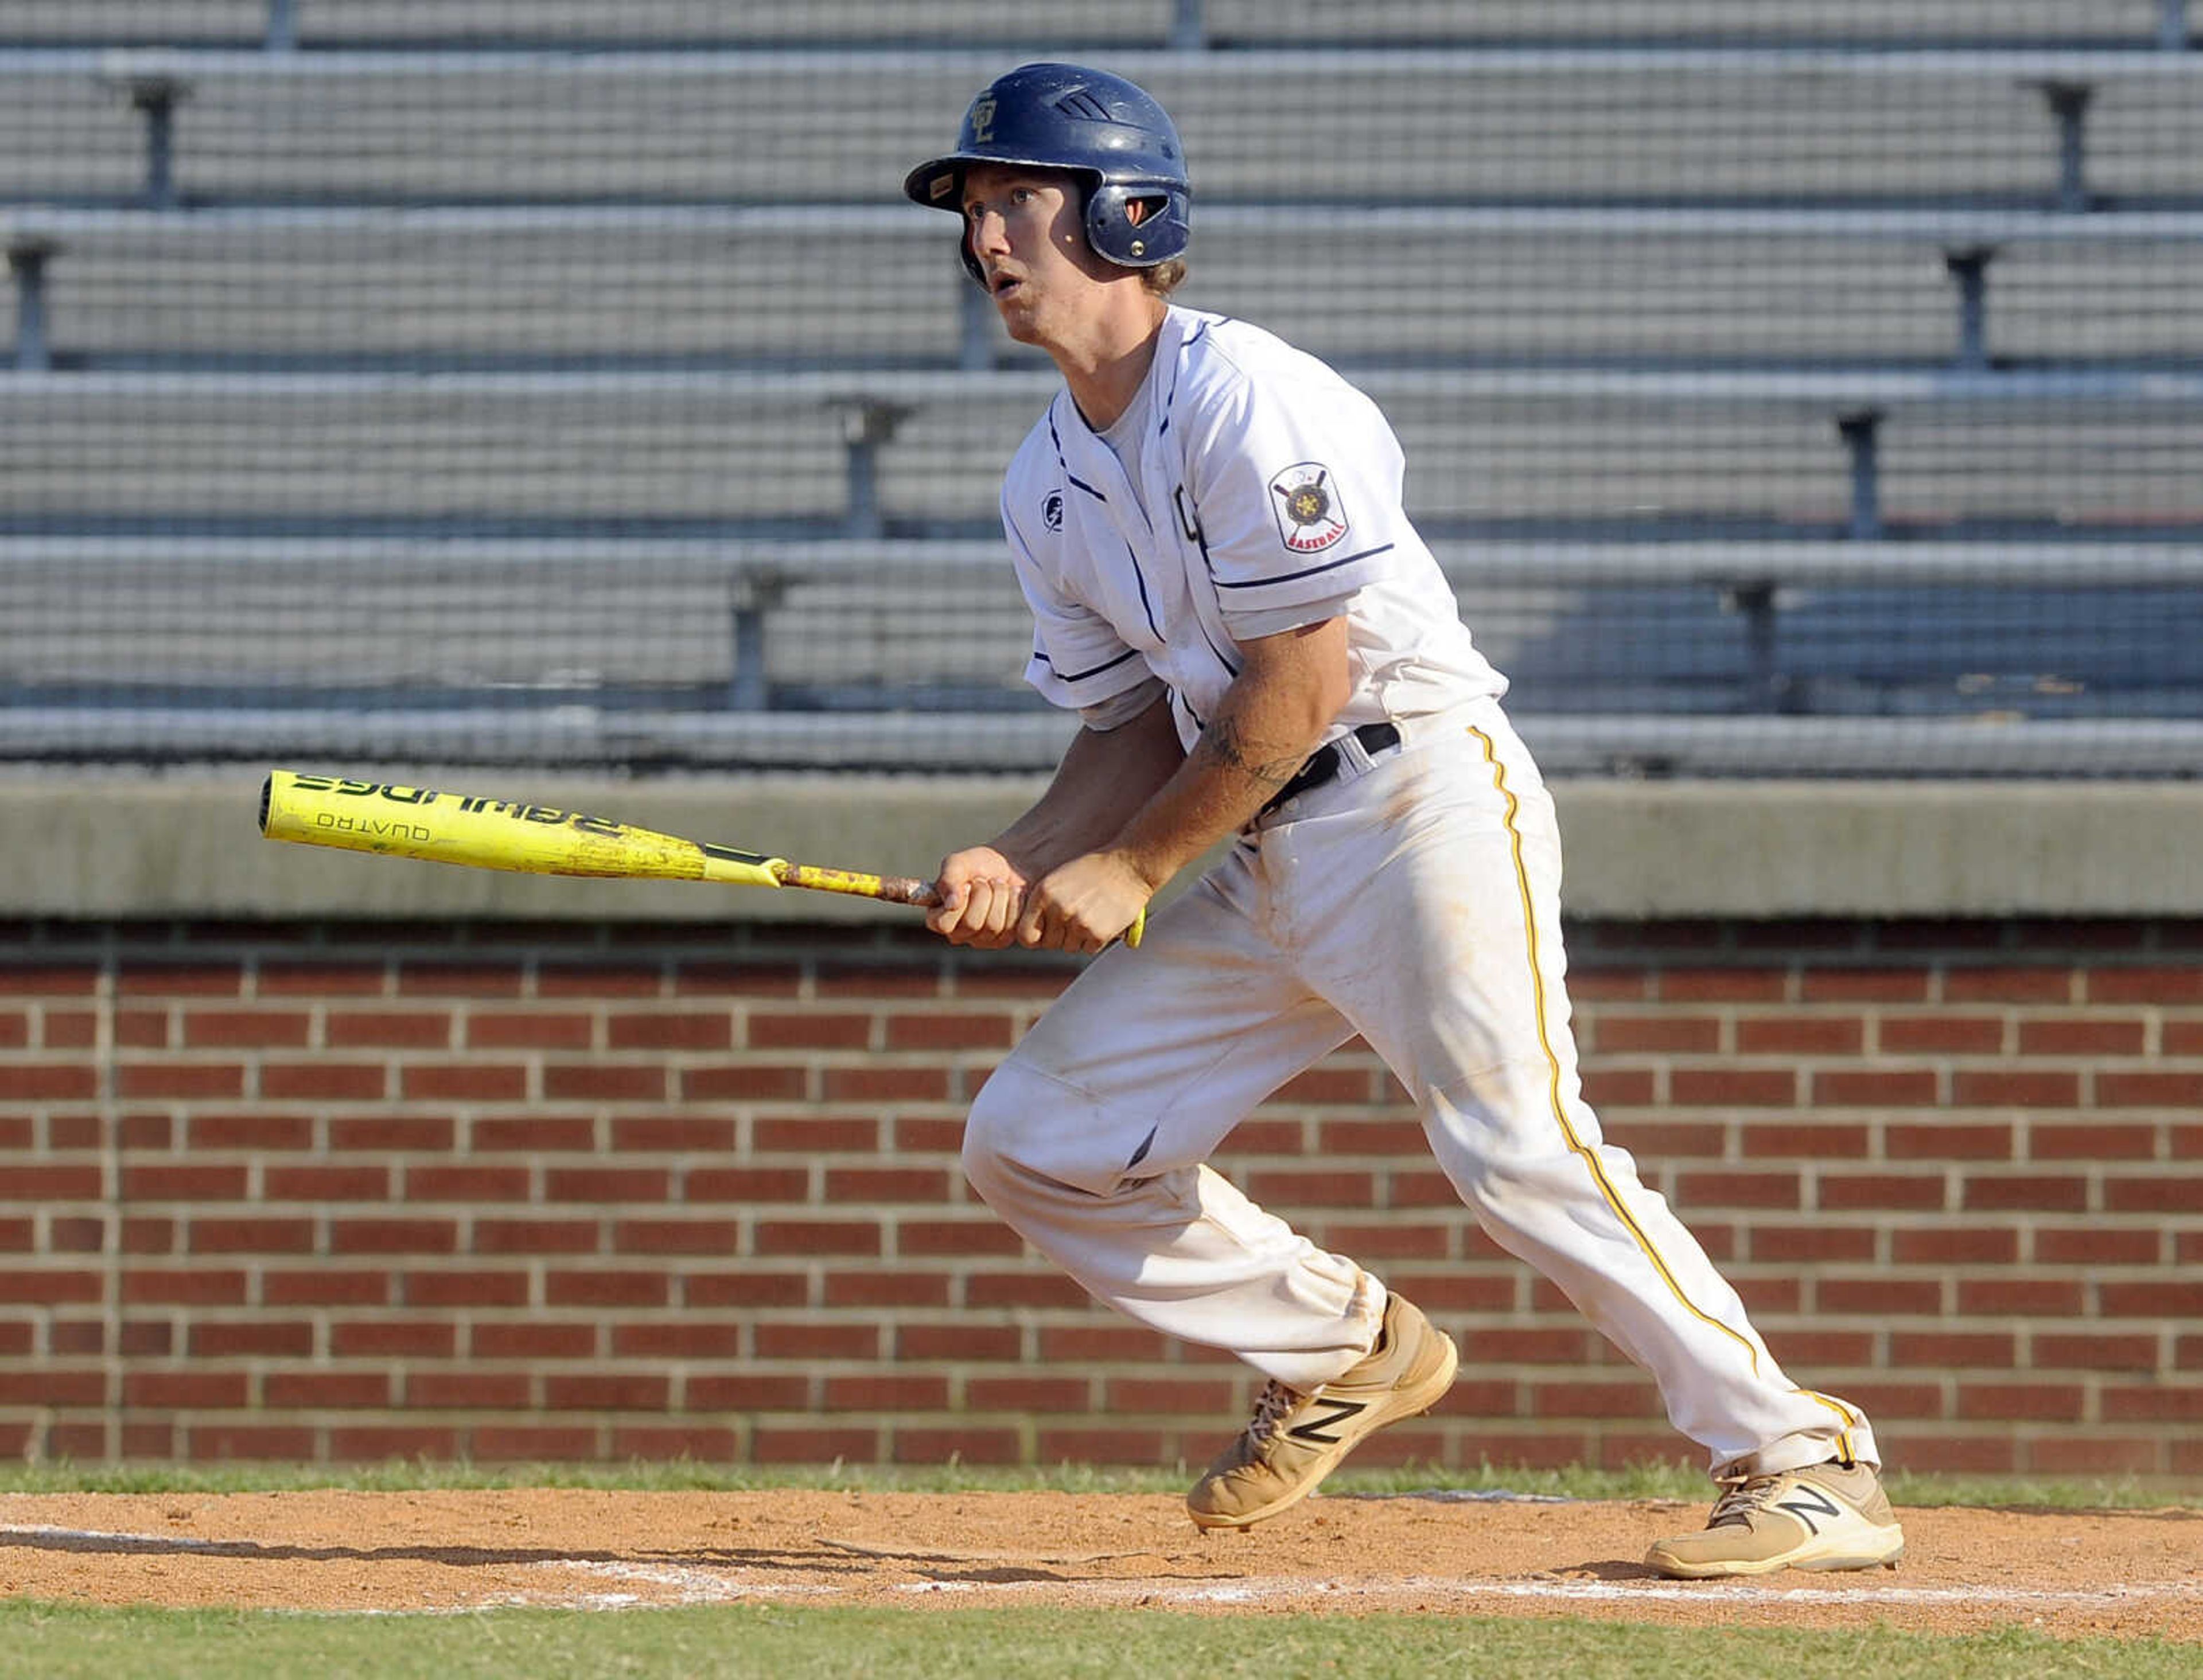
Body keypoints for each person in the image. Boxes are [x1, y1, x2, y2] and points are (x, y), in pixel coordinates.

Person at [905, 61, 1903, 1580]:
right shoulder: (1043, 482)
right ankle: (1345, 1346)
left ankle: (1803, 1459)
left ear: (1127, 215)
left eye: (1018, 201)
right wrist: (1026, 851)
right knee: (1035, 1140)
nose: (987, 238)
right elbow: (1122, 731)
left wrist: (1130, 866)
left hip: (1411, 795)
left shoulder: (1252, 395)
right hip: (1251, 843)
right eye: (975, 208)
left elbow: (1297, 686)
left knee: (1518, 1142)